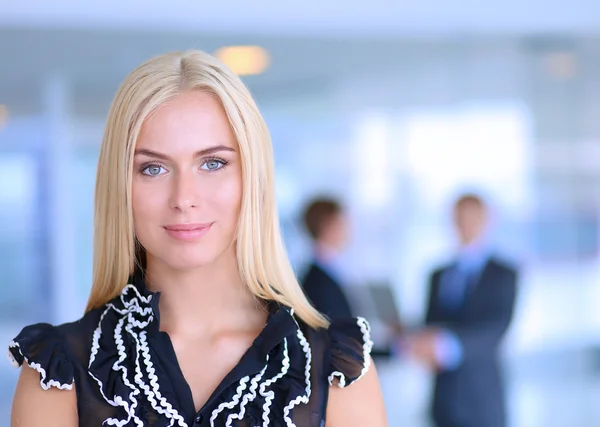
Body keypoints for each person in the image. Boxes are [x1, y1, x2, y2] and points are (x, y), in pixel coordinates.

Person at [8, 50, 387, 427]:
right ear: (120, 187)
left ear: (251, 179)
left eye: (213, 163)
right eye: (152, 168)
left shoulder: (338, 368)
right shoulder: (56, 373)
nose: (184, 198)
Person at [406, 193, 518, 427]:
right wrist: (412, 336)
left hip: (482, 400)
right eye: (459, 218)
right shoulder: (437, 274)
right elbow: (432, 324)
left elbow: (495, 328)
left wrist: (444, 345)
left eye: (471, 217)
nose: (464, 224)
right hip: (444, 400)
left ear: (486, 220)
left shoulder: (504, 274)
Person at [300, 198, 353, 320]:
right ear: (327, 226)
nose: (347, 230)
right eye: (341, 223)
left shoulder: (326, 272)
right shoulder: (318, 283)